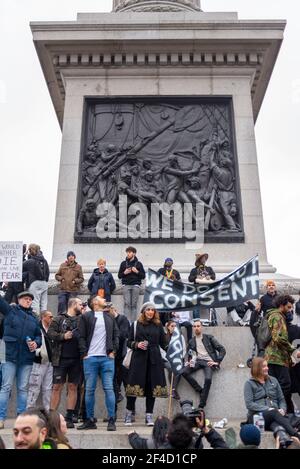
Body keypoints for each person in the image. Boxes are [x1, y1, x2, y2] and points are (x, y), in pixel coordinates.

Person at [0, 292, 41, 429]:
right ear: (19, 300)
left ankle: (21, 418)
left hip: (26, 359)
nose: (28, 301)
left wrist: (36, 343)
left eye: (30, 299)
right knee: (5, 388)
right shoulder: (10, 311)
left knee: (23, 389)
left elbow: (38, 336)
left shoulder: (34, 319)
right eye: (25, 299)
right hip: (9, 357)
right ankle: (0, 418)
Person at [78, 296, 119, 431]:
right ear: (95, 303)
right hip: (90, 359)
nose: (104, 299)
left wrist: (113, 351)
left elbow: (116, 335)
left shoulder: (110, 317)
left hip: (107, 359)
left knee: (109, 388)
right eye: (101, 299)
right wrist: (84, 354)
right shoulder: (86, 317)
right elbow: (81, 336)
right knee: (89, 390)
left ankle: (111, 419)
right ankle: (89, 420)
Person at [124, 303, 168, 426]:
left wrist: (172, 349)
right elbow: (128, 342)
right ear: (143, 311)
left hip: (154, 360)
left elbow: (163, 343)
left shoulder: (158, 325)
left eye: (153, 310)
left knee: (151, 388)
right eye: (148, 310)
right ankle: (129, 413)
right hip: (138, 360)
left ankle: (149, 416)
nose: (150, 312)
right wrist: (136, 345)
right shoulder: (135, 325)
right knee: (133, 387)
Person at [244, 357, 300, 440]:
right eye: (264, 366)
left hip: (275, 416)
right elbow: (249, 404)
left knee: (276, 423)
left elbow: (281, 399)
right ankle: (295, 434)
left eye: (267, 366)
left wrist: (283, 409)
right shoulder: (249, 384)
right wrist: (268, 409)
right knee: (274, 413)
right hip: (257, 417)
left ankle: (283, 438)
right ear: (257, 368)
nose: (267, 368)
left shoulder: (274, 380)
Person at [48, 297, 83, 428]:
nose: (82, 306)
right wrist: (63, 336)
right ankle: (52, 418)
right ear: (73, 304)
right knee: (56, 387)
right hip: (60, 359)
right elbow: (50, 333)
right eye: (80, 304)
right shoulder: (58, 318)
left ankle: (69, 417)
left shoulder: (82, 319)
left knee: (73, 387)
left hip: (76, 360)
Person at [181, 320, 226, 409]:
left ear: (201, 327)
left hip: (209, 362)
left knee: (208, 379)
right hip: (197, 361)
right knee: (184, 372)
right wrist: (190, 361)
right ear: (193, 328)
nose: (196, 328)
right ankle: (200, 390)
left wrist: (217, 362)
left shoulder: (209, 338)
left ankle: (202, 404)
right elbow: (191, 354)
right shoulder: (191, 341)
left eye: (198, 326)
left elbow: (222, 349)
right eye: (195, 326)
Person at [265, 295, 296, 413]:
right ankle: (278, 409)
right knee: (285, 384)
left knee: (275, 385)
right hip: (276, 357)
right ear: (281, 305)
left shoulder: (275, 315)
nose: (290, 310)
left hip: (275, 357)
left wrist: (289, 358)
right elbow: (278, 338)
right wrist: (292, 350)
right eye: (288, 307)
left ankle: (276, 409)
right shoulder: (277, 316)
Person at [27, 310, 54, 411]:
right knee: (34, 387)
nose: (52, 319)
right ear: (43, 317)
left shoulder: (52, 329)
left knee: (47, 388)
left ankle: (47, 411)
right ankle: (29, 410)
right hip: (39, 361)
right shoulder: (37, 328)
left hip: (50, 362)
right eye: (50, 317)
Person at [109, 306, 131, 405]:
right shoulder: (108, 320)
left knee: (126, 381)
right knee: (112, 379)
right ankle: (113, 414)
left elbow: (123, 335)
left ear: (114, 310)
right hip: (112, 355)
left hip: (122, 355)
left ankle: (131, 411)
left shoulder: (122, 319)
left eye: (109, 311)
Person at [118, 246, 145, 323]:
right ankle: (126, 323)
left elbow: (143, 276)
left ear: (134, 253)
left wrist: (137, 271)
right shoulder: (123, 263)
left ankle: (133, 322)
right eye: (127, 252)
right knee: (127, 304)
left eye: (130, 252)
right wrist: (124, 272)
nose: (128, 254)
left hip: (136, 285)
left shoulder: (139, 264)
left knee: (134, 305)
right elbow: (119, 275)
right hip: (126, 285)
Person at [23, 244, 50, 315]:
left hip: (34, 283)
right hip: (44, 283)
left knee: (35, 302)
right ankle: (44, 320)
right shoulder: (44, 260)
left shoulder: (30, 261)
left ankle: (36, 319)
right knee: (44, 303)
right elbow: (48, 272)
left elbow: (19, 267)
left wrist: (23, 255)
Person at [188, 253, 216, 320]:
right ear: (199, 260)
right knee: (195, 305)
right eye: (202, 258)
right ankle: (196, 321)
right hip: (197, 291)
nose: (204, 260)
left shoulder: (209, 269)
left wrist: (210, 276)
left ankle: (213, 320)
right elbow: (190, 279)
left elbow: (214, 277)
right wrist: (196, 277)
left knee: (212, 305)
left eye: (204, 258)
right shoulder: (194, 270)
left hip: (207, 291)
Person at [163, 320, 185, 400]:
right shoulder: (164, 337)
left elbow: (184, 349)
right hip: (166, 359)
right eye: (172, 326)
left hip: (178, 358)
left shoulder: (180, 337)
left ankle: (173, 389)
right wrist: (168, 358)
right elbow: (161, 350)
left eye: (175, 326)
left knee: (179, 369)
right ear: (168, 327)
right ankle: (173, 390)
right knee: (171, 368)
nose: (174, 328)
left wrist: (180, 358)